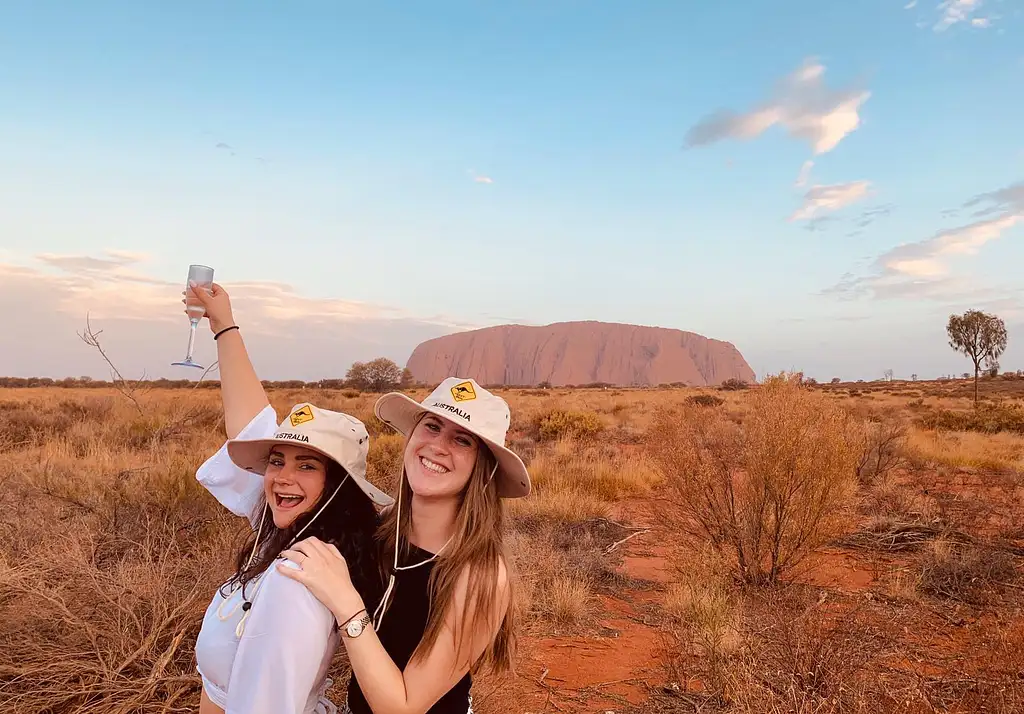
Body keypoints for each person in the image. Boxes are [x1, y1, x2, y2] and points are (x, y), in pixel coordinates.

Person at [187, 282, 394, 714]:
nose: (282, 478)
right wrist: (223, 324)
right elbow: (249, 426)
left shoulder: (298, 576)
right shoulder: (283, 527)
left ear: (338, 485)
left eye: (307, 465)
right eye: (277, 460)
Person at [277, 376, 532, 714]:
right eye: (431, 426)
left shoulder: (480, 574)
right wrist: (225, 329)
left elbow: (403, 708)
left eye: (462, 440)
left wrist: (346, 603)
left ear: (482, 469)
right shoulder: (380, 527)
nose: (437, 446)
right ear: (412, 435)